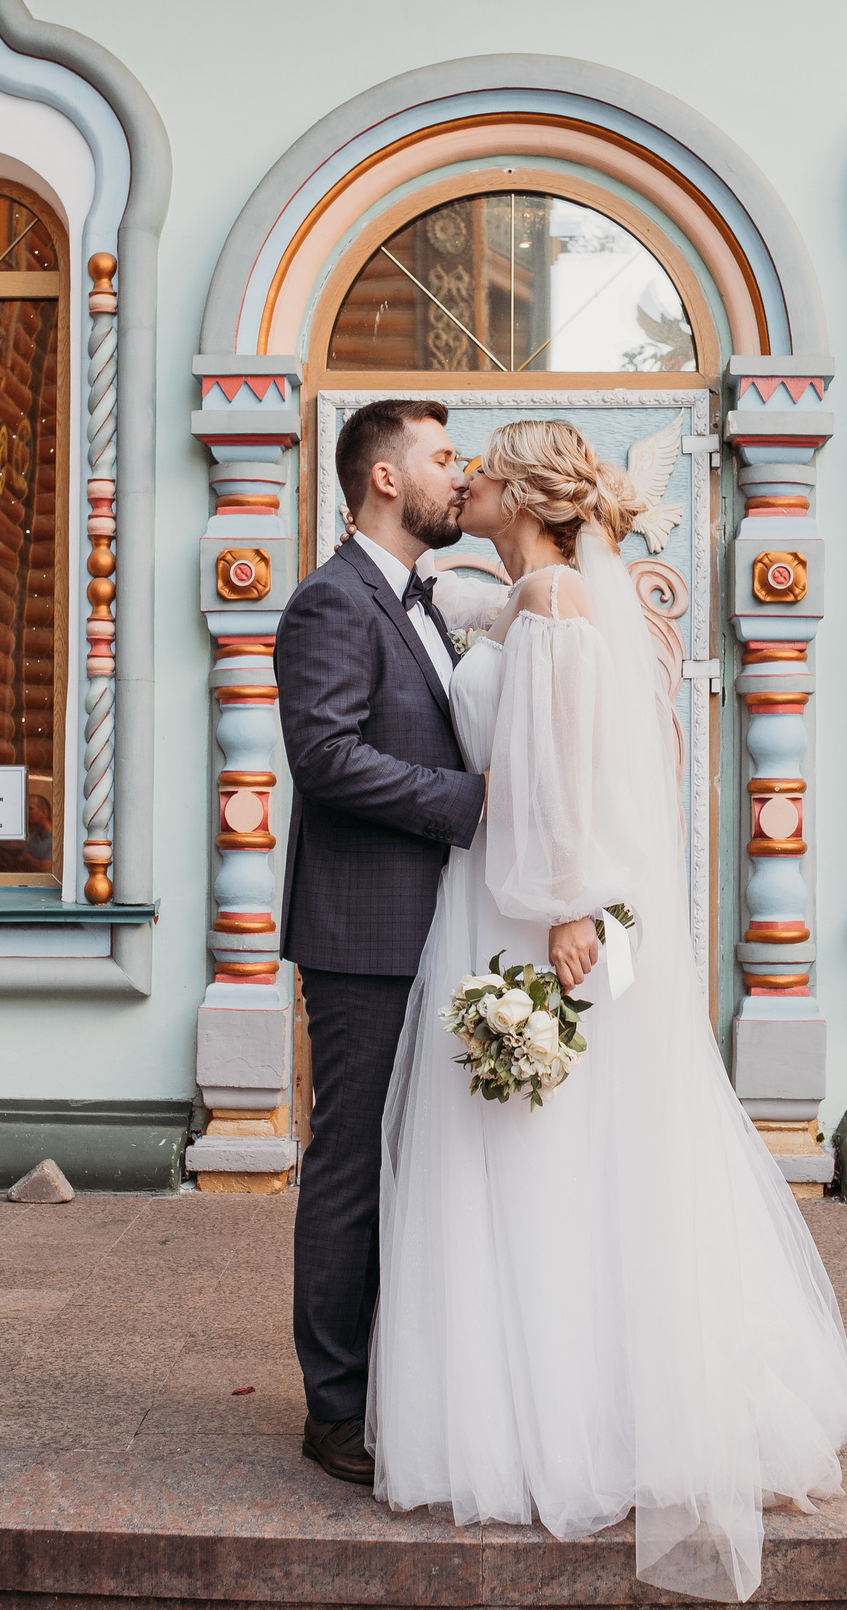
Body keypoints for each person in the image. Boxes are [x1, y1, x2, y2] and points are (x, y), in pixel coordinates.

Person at [367, 419, 847, 1603]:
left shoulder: (551, 608)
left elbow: (561, 772)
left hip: (528, 912)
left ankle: (561, 1420)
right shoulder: (538, 596)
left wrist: (567, 912)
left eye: (483, 470)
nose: (468, 480)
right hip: (522, 901)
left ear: (527, 495)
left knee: (534, 1157)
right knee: (571, 1160)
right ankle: (579, 1400)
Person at [272, 397, 502, 1490]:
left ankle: (401, 1381)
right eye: (441, 458)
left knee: (419, 1169)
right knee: (352, 1166)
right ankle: (334, 1410)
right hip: (362, 935)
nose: (456, 476)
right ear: (381, 479)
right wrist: (469, 802)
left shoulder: (423, 601)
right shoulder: (331, 601)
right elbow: (324, 756)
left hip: (434, 925)